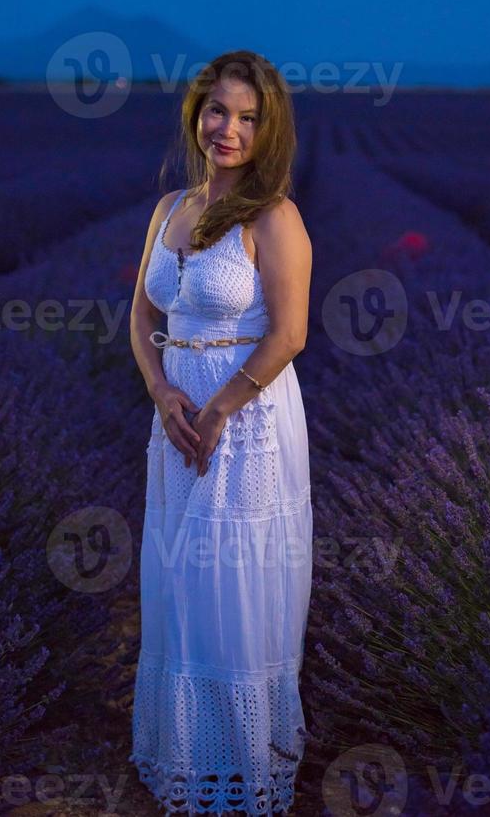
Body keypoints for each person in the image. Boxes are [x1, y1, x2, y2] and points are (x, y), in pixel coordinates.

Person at [128, 50, 313, 816]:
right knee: (181, 578)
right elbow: (142, 317)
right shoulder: (169, 207)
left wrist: (219, 408)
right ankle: (187, 751)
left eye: (246, 118)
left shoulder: (275, 216)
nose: (227, 129)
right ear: (196, 114)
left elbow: (291, 334)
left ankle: (242, 766)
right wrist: (163, 391)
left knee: (237, 581)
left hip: (249, 417)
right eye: (216, 111)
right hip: (177, 412)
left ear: (267, 130)